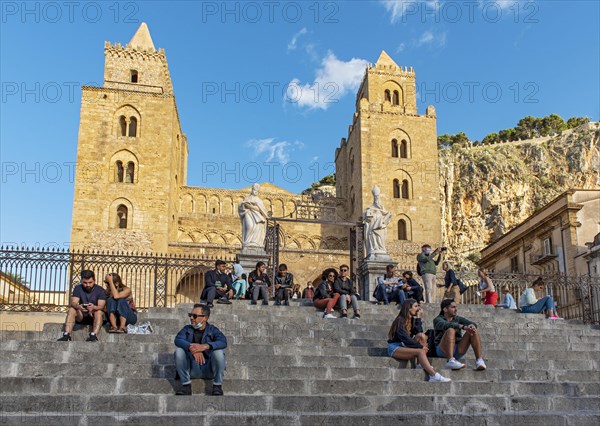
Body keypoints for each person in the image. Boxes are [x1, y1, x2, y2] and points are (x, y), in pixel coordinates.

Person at [387, 299, 451, 383]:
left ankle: (420, 364)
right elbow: (405, 339)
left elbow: (419, 333)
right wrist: (421, 347)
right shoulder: (400, 320)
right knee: (420, 352)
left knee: (422, 336)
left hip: (404, 345)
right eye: (416, 306)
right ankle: (434, 376)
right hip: (395, 347)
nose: (418, 309)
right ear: (409, 308)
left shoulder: (412, 320)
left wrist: (418, 319)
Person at [174, 304, 227, 396]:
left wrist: (205, 346)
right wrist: (193, 348)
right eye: (190, 315)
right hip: (192, 369)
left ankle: (217, 385)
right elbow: (178, 340)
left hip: (209, 369)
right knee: (179, 351)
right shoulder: (187, 329)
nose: (191, 318)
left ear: (205, 318)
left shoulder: (212, 330)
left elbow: (223, 342)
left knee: (218, 352)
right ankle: (186, 386)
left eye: (194, 316)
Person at [433, 299, 487, 371]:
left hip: (458, 349)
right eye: (453, 307)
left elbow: (473, 323)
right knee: (451, 330)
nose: (456, 309)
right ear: (445, 309)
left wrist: (471, 326)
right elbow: (445, 325)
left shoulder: (458, 319)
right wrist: (462, 327)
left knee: (473, 331)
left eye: (456, 307)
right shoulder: (438, 319)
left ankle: (479, 360)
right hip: (442, 350)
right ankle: (450, 360)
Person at [57, 270, 106, 342]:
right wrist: (78, 306)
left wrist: (93, 307)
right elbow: (73, 302)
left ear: (94, 281)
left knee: (98, 312)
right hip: (81, 315)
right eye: (85, 283)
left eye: (90, 282)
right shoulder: (78, 288)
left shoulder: (100, 290)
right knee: (72, 309)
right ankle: (67, 335)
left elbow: (101, 306)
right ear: (81, 281)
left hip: (94, 315)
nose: (88, 285)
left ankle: (93, 335)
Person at [363, 186, 393, 259]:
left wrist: (387, 216)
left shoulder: (382, 209)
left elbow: (387, 215)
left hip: (380, 227)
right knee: (373, 237)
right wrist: (368, 216)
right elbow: (366, 218)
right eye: (376, 197)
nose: (377, 199)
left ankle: (380, 248)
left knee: (381, 239)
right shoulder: (369, 208)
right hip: (372, 226)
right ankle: (374, 248)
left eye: (378, 197)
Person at [238, 183, 269, 249]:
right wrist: (244, 205)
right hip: (248, 213)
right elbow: (241, 207)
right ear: (252, 190)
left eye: (257, 191)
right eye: (254, 190)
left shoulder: (259, 201)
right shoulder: (247, 199)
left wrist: (251, 206)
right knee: (249, 226)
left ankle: (256, 243)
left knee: (258, 228)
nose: (255, 192)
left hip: (257, 216)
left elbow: (262, 211)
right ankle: (247, 242)